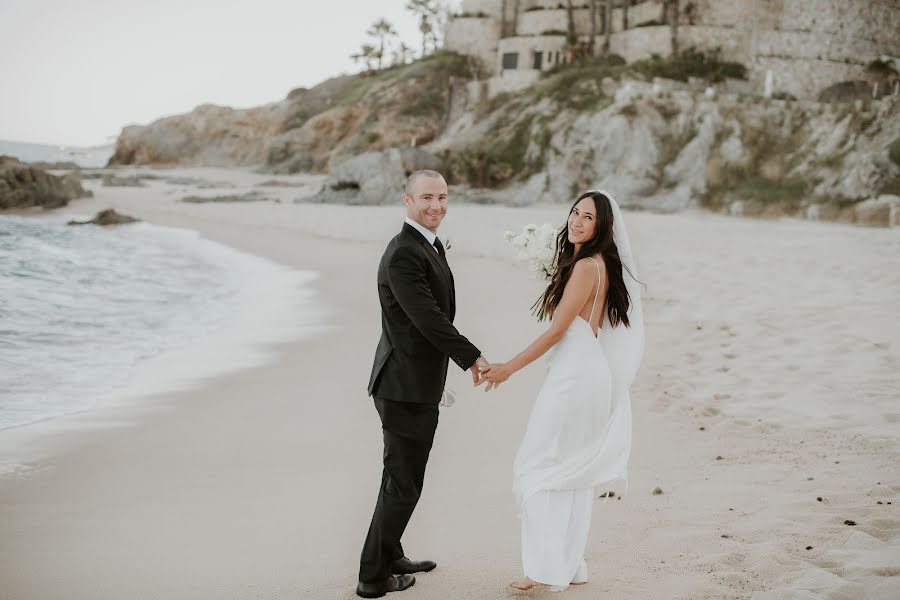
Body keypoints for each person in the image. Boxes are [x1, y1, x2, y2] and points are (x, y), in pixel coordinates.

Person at [481, 190, 644, 592]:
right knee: (571, 471)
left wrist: (507, 369)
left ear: (601, 226)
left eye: (587, 217)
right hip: (588, 373)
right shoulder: (600, 264)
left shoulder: (587, 267)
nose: (576, 220)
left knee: (537, 466)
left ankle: (541, 569)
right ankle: (568, 565)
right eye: (574, 212)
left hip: (574, 377)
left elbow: (556, 332)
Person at [357, 170, 490, 598]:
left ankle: (391, 552)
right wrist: (472, 356)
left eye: (443, 197)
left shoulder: (424, 244)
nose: (436, 205)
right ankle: (373, 577)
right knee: (404, 483)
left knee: (400, 477)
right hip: (403, 386)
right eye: (427, 197)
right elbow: (428, 317)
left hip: (413, 382)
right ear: (407, 200)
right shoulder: (403, 254)